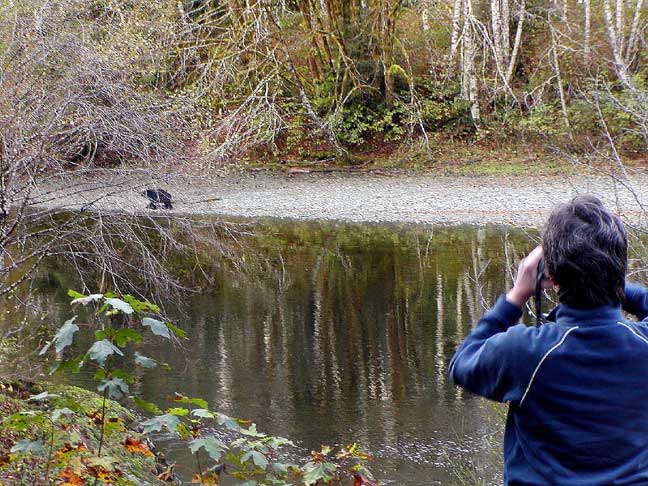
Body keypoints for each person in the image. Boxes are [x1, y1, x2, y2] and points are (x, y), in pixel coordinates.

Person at [449, 195, 648, 485]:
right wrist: (608, 279)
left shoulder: (525, 353)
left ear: (550, 274)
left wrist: (516, 297)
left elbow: (461, 364)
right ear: (620, 269)